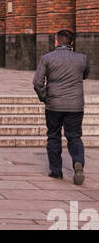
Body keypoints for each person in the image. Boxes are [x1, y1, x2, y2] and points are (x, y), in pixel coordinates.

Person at [33, 28, 89, 184]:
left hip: (54, 105)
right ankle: (78, 162)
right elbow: (85, 74)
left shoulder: (47, 58)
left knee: (53, 136)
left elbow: (37, 82)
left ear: (56, 41)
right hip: (75, 105)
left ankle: (56, 171)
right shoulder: (82, 58)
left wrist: (44, 96)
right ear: (72, 43)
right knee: (74, 136)